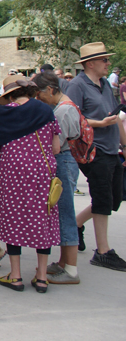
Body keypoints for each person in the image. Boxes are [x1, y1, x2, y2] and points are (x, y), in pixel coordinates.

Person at [0, 74, 61, 292]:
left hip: (13, 173)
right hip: (42, 173)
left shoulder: (3, 113)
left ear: (9, 94)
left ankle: (16, 276)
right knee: (42, 217)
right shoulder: (45, 110)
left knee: (13, 217)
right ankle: (42, 277)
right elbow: (56, 148)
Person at [65, 42, 126, 271]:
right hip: (93, 150)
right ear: (90, 63)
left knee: (114, 198)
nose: (108, 63)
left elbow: (116, 116)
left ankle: (77, 224)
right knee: (102, 199)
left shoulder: (104, 84)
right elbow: (71, 117)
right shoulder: (77, 85)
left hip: (111, 148)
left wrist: (124, 145)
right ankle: (103, 252)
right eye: (104, 60)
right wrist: (99, 123)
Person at [32, 70, 83, 284]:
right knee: (62, 212)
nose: (39, 99)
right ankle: (63, 263)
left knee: (65, 213)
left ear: (50, 90)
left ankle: (71, 269)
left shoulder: (62, 111)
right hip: (66, 159)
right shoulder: (66, 106)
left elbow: (56, 144)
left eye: (40, 94)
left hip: (62, 160)